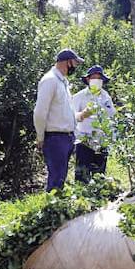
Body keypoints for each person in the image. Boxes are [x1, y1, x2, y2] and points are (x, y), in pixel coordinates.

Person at [33, 49, 87, 191]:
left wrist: (81, 115)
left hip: (66, 138)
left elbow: (63, 113)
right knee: (56, 180)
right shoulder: (50, 80)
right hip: (55, 138)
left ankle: (57, 203)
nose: (75, 66)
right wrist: (40, 137)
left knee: (60, 178)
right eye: (75, 63)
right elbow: (40, 112)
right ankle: (51, 204)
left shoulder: (63, 82)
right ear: (67, 62)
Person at [72, 65, 116, 183]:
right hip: (84, 141)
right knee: (82, 177)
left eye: (99, 78)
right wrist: (82, 114)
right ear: (88, 79)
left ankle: (98, 192)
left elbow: (112, 115)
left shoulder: (106, 96)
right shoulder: (79, 96)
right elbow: (71, 116)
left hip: (101, 140)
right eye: (94, 78)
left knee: (99, 176)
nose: (97, 80)